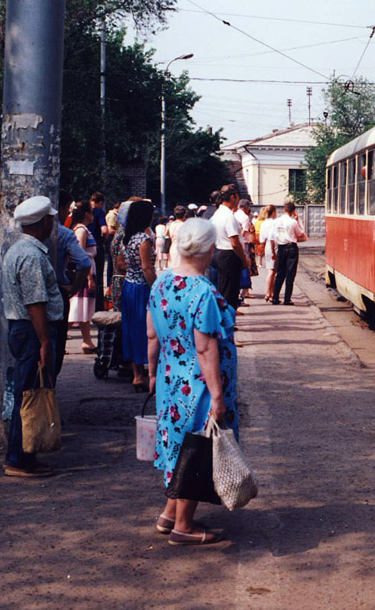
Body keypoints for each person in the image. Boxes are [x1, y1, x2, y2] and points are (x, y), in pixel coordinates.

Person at [146, 217, 236, 546]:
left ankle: (169, 514)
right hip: (197, 387)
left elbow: (151, 334)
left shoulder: (161, 284)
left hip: (171, 382)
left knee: (179, 447)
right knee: (197, 450)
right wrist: (217, 396)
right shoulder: (203, 292)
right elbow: (204, 345)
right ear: (210, 250)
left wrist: (153, 373)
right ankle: (183, 527)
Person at [0, 196, 64, 477]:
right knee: (28, 396)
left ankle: (26, 454)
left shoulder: (19, 250)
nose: (52, 223)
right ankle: (18, 458)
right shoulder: (31, 254)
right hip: (32, 331)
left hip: (25, 330)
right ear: (44, 222)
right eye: (50, 219)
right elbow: (35, 302)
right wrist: (45, 342)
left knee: (27, 393)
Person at [53, 190, 91, 377]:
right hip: (57, 293)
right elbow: (84, 263)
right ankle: (46, 391)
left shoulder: (17, 231)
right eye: (67, 209)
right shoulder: (64, 233)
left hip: (25, 297)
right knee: (55, 346)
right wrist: (74, 288)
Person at [120, 199, 157, 391]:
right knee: (148, 330)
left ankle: (137, 374)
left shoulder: (128, 238)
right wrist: (157, 288)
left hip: (129, 286)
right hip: (142, 288)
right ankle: (149, 374)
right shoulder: (144, 239)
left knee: (131, 329)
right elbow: (147, 267)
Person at [210, 186, 249, 310]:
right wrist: (244, 260)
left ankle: (223, 320)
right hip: (229, 255)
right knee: (230, 293)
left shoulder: (217, 214)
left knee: (223, 289)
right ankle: (228, 322)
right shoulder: (229, 216)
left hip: (219, 252)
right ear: (233, 197)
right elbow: (235, 242)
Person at [68, 201, 98, 354]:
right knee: (77, 307)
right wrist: (88, 277)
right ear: (87, 214)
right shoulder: (81, 230)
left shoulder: (82, 229)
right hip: (85, 272)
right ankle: (60, 339)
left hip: (88, 270)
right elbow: (81, 255)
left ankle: (87, 341)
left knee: (83, 308)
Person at [271, 201, 307, 305]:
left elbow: (273, 237)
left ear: (284, 209)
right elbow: (301, 233)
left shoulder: (276, 221)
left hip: (281, 248)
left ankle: (275, 297)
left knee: (280, 274)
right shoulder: (293, 222)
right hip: (291, 248)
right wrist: (298, 220)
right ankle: (287, 299)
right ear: (293, 211)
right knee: (290, 274)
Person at [257, 205, 278, 303]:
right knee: (272, 271)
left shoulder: (264, 223)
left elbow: (262, 239)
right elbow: (273, 237)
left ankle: (271, 292)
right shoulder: (274, 223)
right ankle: (268, 293)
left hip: (267, 246)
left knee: (272, 271)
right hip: (273, 246)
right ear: (273, 212)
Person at [235, 200, 254, 304]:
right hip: (243, 244)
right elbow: (244, 232)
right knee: (245, 269)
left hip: (233, 245)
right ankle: (241, 297)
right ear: (246, 207)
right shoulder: (245, 218)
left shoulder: (234, 214)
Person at [166, 205, 187, 271]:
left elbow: (166, 235)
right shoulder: (184, 225)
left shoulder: (170, 224)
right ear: (184, 214)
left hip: (172, 247)